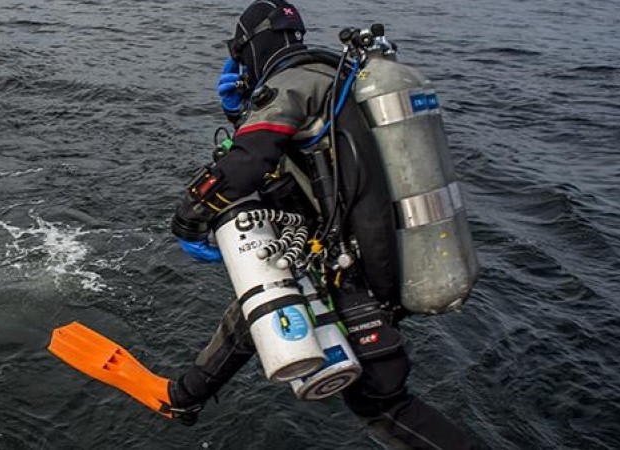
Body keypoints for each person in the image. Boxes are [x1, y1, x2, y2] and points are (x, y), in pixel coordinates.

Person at [161, 1, 479, 448]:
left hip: (355, 267)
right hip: (379, 249)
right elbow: (300, 149)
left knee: (380, 403)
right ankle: (187, 395)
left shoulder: (292, 83)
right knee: (263, 299)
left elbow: (248, 161)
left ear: (250, 47)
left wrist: (189, 217)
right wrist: (240, 113)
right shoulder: (333, 78)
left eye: (238, 55)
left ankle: (185, 396)